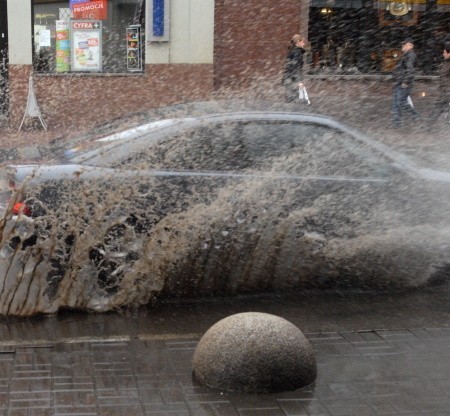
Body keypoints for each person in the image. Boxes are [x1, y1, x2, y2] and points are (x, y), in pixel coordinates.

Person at [391, 37, 420, 128]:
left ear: (410, 46)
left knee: (401, 102)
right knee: (396, 103)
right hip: (400, 82)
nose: (402, 45)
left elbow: (410, 69)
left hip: (404, 84)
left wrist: (405, 81)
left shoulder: (410, 55)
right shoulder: (405, 55)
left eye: (404, 44)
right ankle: (396, 123)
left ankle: (415, 116)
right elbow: (402, 69)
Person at [428, 41, 450, 127]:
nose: (443, 54)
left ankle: (428, 125)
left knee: (438, 107)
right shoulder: (446, 62)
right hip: (445, 90)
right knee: (439, 107)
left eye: (444, 52)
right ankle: (428, 124)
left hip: (447, 91)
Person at [282, 34, 306, 103]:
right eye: (303, 42)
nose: (304, 43)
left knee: (291, 100)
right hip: (293, 79)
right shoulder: (297, 52)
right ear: (298, 41)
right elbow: (295, 66)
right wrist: (299, 81)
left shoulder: (292, 51)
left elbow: (290, 66)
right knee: (296, 101)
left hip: (289, 78)